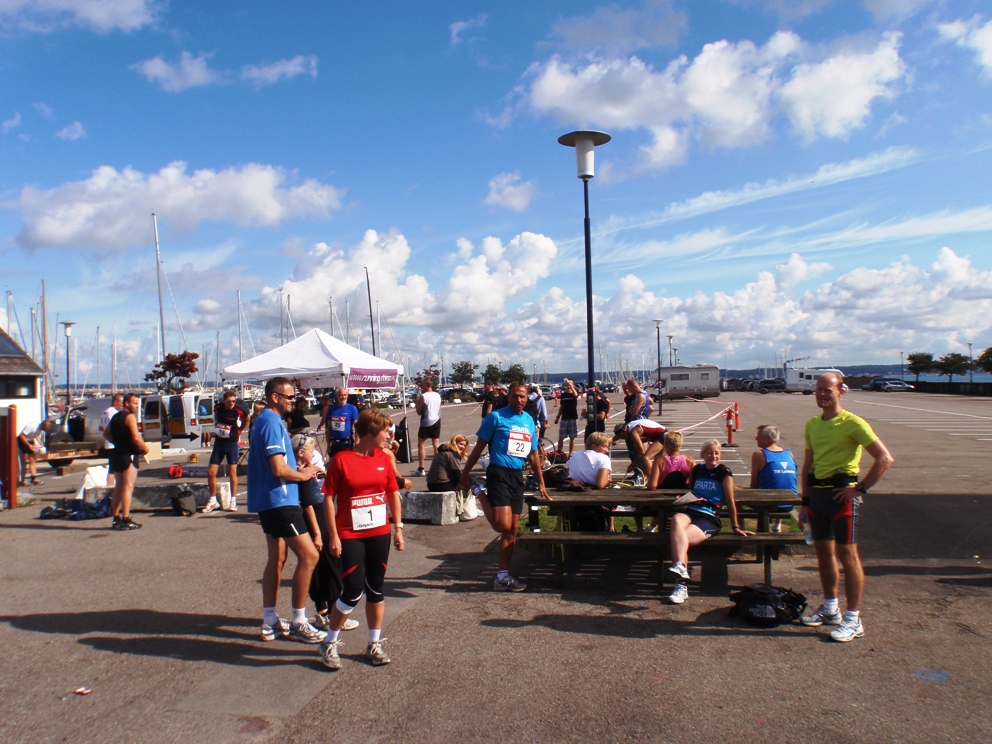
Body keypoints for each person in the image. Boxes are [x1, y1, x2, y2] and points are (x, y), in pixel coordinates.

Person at [799, 373, 894, 643]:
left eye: (827, 390)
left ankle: (853, 619)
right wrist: (805, 503)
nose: (821, 395)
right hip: (817, 497)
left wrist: (860, 488)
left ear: (841, 391)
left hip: (842, 497)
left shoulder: (853, 422)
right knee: (824, 553)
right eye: (818, 390)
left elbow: (884, 458)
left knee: (847, 556)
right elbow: (808, 466)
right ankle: (831, 608)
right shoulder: (813, 424)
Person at [318, 409, 405, 670]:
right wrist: (333, 535)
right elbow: (328, 498)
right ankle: (330, 642)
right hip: (350, 534)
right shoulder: (341, 460)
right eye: (385, 431)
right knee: (353, 591)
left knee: (376, 589)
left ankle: (373, 643)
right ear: (369, 432)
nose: (390, 435)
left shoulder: (384, 457)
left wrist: (398, 528)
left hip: (379, 532)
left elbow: (392, 493)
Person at [248, 377, 325, 645]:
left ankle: (270, 620)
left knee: (277, 558)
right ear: (274, 397)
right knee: (310, 556)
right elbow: (278, 468)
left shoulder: (268, 421)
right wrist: (304, 474)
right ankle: (299, 620)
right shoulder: (270, 422)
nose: (294, 401)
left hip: (271, 500)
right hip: (280, 501)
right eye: (290, 397)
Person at [459, 381, 549, 592]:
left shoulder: (528, 420)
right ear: (508, 397)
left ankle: (503, 576)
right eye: (515, 396)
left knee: (513, 529)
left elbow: (534, 454)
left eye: (523, 397)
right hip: (498, 473)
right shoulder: (496, 417)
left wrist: (541, 482)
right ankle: (479, 491)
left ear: (528, 399)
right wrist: (465, 473)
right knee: (501, 525)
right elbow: (478, 447)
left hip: (517, 476)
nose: (519, 400)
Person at [668, 440, 751, 604]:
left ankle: (680, 585)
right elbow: (693, 491)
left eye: (716, 453)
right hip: (691, 510)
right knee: (677, 519)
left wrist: (735, 526)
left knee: (679, 540)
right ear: (702, 454)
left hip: (709, 516)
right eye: (710, 452)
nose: (713, 456)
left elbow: (730, 500)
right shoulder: (697, 469)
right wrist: (684, 498)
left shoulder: (724, 472)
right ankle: (680, 571)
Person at [291, 433, 360, 634]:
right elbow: (308, 506)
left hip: (318, 517)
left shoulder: (304, 471)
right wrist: (317, 533)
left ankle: (322, 611)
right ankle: (332, 612)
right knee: (331, 565)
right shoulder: (303, 474)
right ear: (301, 453)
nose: (314, 453)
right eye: (311, 450)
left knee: (320, 567)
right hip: (318, 520)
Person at [108, 393, 150, 531]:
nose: (137, 406)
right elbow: (136, 438)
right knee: (128, 487)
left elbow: (106, 434)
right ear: (126, 403)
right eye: (135, 403)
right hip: (128, 454)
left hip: (117, 452)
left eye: (138, 404)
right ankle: (125, 518)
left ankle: (115, 518)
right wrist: (146, 449)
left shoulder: (115, 417)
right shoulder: (129, 417)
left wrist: (118, 442)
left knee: (119, 486)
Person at [203, 390, 249, 513]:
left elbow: (247, 418)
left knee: (232, 472)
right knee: (211, 472)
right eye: (229, 402)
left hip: (232, 443)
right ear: (224, 401)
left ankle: (233, 501)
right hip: (219, 442)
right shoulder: (218, 408)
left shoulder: (238, 410)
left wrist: (239, 430)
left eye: (233, 401)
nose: (231, 404)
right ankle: (212, 500)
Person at [748, 425, 798, 532]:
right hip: (790, 503)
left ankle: (740, 527)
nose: (756, 438)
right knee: (780, 483)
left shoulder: (759, 455)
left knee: (734, 496)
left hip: (769, 504)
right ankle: (777, 524)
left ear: (768, 438)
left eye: (758, 436)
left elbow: (754, 485)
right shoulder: (789, 453)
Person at [413, 379, 441, 477]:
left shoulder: (423, 396)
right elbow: (439, 407)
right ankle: (437, 467)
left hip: (426, 421)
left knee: (421, 444)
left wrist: (417, 403)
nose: (421, 386)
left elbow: (419, 411)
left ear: (426, 385)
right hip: (437, 420)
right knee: (436, 444)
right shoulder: (438, 395)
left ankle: (421, 468)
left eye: (422, 385)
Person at [324, 387, 360, 459]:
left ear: (347, 396)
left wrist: (357, 442)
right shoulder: (332, 409)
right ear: (336, 396)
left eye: (345, 395)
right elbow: (329, 427)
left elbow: (357, 427)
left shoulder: (352, 408)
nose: (343, 397)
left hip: (347, 443)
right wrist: (328, 444)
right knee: (334, 465)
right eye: (341, 395)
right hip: (335, 443)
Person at [98, 393, 123, 487]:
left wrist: (106, 430)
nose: (122, 404)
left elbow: (101, 427)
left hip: (107, 443)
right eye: (121, 402)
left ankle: (110, 485)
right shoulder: (113, 412)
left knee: (112, 467)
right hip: (114, 443)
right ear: (115, 402)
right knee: (115, 468)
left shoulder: (105, 412)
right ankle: (112, 486)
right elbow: (117, 426)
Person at [17, 420, 49, 486]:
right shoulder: (32, 426)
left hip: (31, 441)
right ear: (42, 425)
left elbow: (36, 435)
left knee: (33, 460)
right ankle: (22, 480)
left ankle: (33, 479)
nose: (43, 430)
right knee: (24, 461)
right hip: (23, 441)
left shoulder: (40, 429)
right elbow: (21, 436)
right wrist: (28, 445)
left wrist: (40, 443)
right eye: (44, 428)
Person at [554, 378, 579, 458]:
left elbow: (576, 395)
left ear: (573, 385)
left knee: (572, 437)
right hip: (564, 418)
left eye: (571, 383)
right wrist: (558, 417)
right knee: (561, 436)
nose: (569, 385)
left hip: (572, 417)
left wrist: (572, 387)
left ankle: (570, 453)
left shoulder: (574, 393)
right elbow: (562, 407)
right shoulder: (564, 395)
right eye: (568, 384)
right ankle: (559, 452)